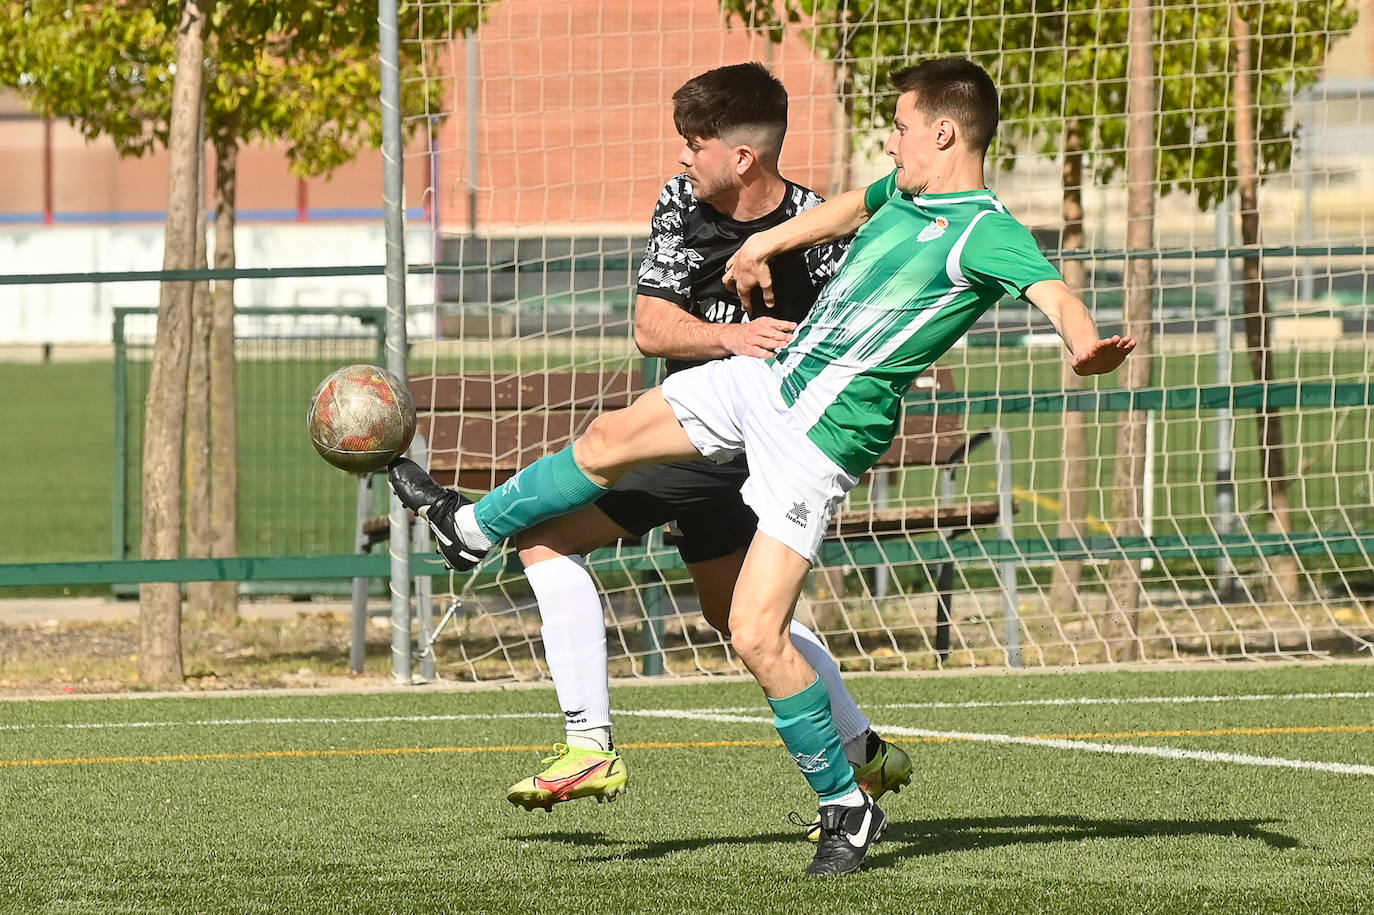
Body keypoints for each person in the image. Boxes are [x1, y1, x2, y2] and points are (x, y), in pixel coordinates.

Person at [391, 58, 1136, 876]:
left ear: (945, 132)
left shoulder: (984, 227)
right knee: (608, 437)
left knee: (752, 630)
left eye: (899, 124)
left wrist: (1082, 341)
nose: (890, 138)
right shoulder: (906, 191)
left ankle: (846, 807)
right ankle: (468, 529)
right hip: (771, 381)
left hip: (819, 438)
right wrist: (769, 242)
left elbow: (1051, 288)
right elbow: (854, 204)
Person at [498, 63, 912, 831]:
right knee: (744, 621)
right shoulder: (683, 201)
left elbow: (852, 341)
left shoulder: (816, 233)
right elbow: (652, 326)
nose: (684, 157)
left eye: (696, 143)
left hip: (734, 446)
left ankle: (588, 742)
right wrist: (729, 337)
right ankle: (863, 749)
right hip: (693, 424)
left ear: (742, 156)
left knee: (545, 538)